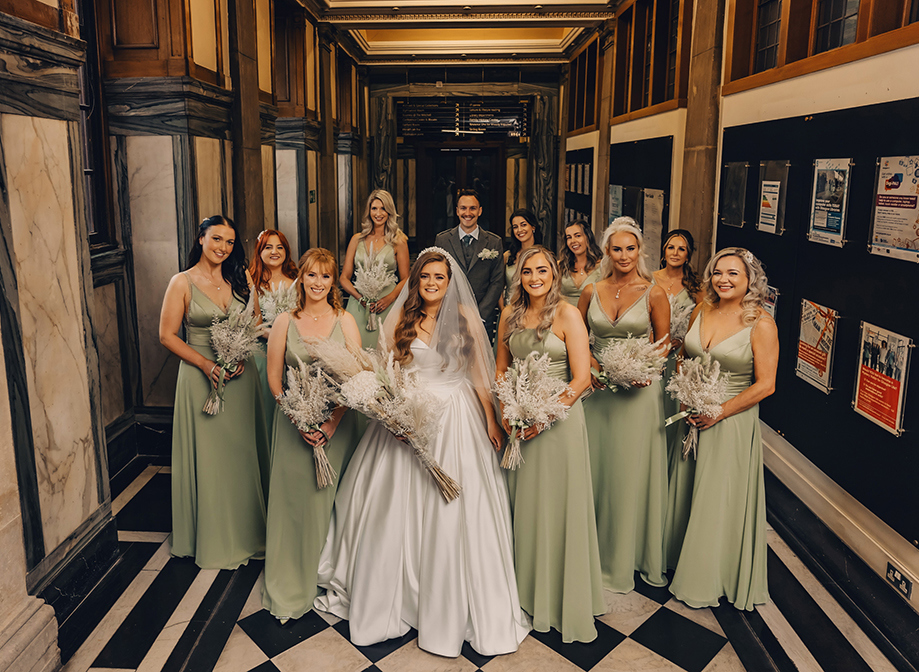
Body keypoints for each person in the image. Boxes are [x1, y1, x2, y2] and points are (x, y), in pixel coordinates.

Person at [314, 248, 530, 658]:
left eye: (439, 278)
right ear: (416, 280)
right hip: (408, 414)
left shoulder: (465, 317)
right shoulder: (400, 318)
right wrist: (393, 415)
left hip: (457, 414)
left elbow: (479, 372)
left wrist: (489, 417)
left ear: (450, 282)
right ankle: (395, 596)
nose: (432, 284)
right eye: (425, 277)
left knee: (457, 509)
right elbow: (386, 371)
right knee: (396, 507)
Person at [497, 245, 605, 644]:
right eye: (527, 271)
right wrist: (508, 409)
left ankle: (563, 595)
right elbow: (500, 367)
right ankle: (525, 592)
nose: (534, 277)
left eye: (542, 270)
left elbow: (581, 379)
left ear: (553, 274)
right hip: (520, 421)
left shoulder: (567, 314)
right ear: (519, 276)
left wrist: (541, 416)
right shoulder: (509, 315)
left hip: (558, 424)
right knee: (526, 505)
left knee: (560, 506)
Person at [664, 247, 778, 610]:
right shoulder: (703, 308)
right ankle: (678, 558)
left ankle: (709, 576)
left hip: (729, 420)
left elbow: (766, 384)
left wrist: (719, 411)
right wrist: (685, 393)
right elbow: (683, 354)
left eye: (733, 274)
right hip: (693, 414)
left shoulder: (761, 323)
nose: (724, 280)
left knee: (717, 498)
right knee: (688, 490)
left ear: (750, 281)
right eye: (717, 273)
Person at [158, 215, 267, 569]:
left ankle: (248, 531)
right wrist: (207, 365)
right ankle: (212, 537)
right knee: (210, 460)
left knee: (241, 454)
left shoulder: (241, 277)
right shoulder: (182, 282)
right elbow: (167, 336)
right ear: (201, 238)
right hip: (199, 377)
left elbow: (253, 323)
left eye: (230, 242)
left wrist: (239, 355)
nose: (223, 247)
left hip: (240, 376)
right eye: (216, 239)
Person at [261, 249, 362, 623]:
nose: (318, 283)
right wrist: (296, 417)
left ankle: (328, 573)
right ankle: (292, 574)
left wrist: (332, 421)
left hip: (338, 421)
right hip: (293, 423)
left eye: (326, 277)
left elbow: (356, 378)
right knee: (292, 501)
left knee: (328, 500)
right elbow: (273, 378)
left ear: (333, 282)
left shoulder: (345, 320)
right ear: (300, 278)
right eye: (312, 276)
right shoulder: (285, 321)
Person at [578, 217, 671, 594]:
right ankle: (592, 550)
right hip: (599, 392)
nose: (624, 256)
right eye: (616, 249)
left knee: (630, 472)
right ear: (607, 252)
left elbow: (663, 345)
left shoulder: (654, 292)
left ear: (640, 251)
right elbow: (579, 339)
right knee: (597, 468)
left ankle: (630, 555)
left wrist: (641, 371)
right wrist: (598, 368)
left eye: (630, 248)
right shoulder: (590, 290)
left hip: (640, 393)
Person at [247, 229, 299, 493]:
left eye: (279, 247)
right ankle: (263, 471)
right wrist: (274, 335)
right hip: (261, 351)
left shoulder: (297, 280)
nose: (274, 252)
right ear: (260, 251)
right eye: (268, 247)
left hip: (293, 351)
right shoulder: (252, 281)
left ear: (286, 251)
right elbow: (253, 322)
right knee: (265, 410)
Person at [652, 229, 702, 458]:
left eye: (681, 249)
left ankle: (668, 458)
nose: (675, 252)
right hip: (652, 354)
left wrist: (682, 340)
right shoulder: (649, 279)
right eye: (671, 247)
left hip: (680, 357)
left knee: (671, 407)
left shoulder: (696, 287)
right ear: (663, 251)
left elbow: (703, 321)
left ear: (688, 255)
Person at [340, 189, 410, 348]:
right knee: (355, 349)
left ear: (390, 211)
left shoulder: (398, 240)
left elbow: (407, 277)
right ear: (368, 211)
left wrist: (390, 298)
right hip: (358, 305)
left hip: (387, 305)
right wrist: (359, 297)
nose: (378, 213)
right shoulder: (356, 239)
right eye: (374, 208)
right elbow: (344, 277)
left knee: (385, 350)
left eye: (383, 208)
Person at [434, 188, 505, 338]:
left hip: (483, 317)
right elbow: (438, 277)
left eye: (472, 208)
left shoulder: (494, 242)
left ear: (480, 211)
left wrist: (479, 314)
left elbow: (497, 282)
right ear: (457, 211)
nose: (468, 213)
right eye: (463, 208)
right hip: (450, 314)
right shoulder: (442, 240)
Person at [501, 208, 542, 308]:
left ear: (533, 226)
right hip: (509, 311)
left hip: (535, 310)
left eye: (523, 225)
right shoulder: (507, 256)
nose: (519, 230)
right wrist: (503, 311)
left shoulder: (543, 256)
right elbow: (498, 287)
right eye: (515, 227)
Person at [559, 219, 603, 305]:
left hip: (591, 316)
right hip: (565, 316)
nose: (573, 241)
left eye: (578, 236)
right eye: (569, 237)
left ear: (588, 237)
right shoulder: (561, 265)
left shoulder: (603, 266)